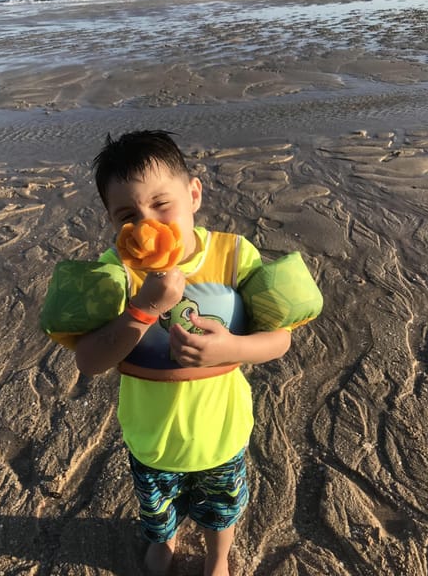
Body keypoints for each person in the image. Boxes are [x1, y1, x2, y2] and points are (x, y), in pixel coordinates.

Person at [75, 130, 291, 576]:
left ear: (193, 194)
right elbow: (89, 361)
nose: (147, 223)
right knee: (156, 510)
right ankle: (165, 541)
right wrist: (143, 308)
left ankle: (218, 558)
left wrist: (230, 347)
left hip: (221, 433)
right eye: (127, 215)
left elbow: (280, 339)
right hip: (151, 437)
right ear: (111, 222)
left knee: (221, 512)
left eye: (161, 204)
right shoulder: (114, 272)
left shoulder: (233, 256)